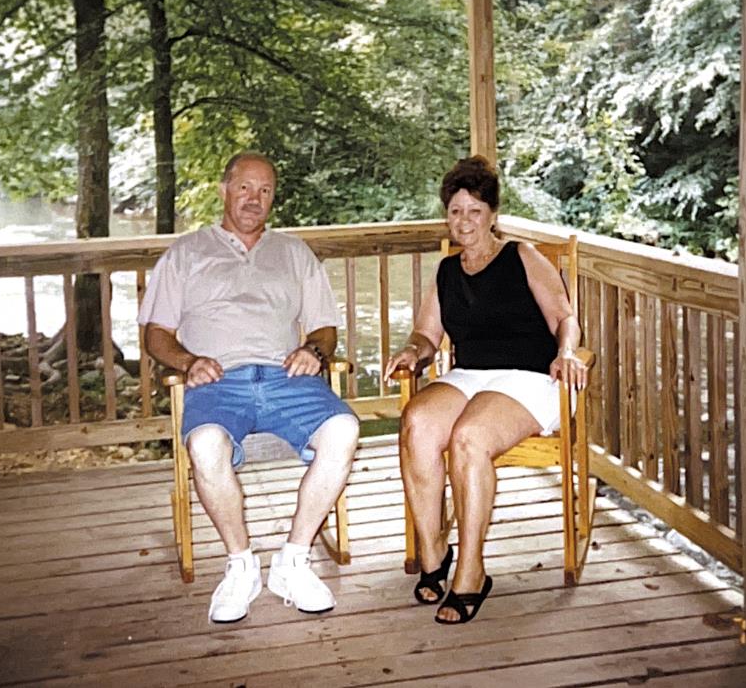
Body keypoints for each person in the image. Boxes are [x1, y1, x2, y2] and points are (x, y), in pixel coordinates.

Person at [140, 151, 359, 624]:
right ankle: (241, 566)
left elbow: (324, 329)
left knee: (344, 429)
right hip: (218, 381)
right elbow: (155, 333)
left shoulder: (294, 252)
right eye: (244, 187)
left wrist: (314, 353)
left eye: (264, 191)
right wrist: (187, 361)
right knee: (205, 442)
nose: (253, 199)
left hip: (286, 377)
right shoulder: (186, 252)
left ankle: (293, 560)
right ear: (224, 190)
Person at [383, 155, 588, 625]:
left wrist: (568, 352)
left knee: (468, 438)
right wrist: (411, 353)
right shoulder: (447, 272)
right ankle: (435, 553)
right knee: (417, 421)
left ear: (493, 215)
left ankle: (472, 571)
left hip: (533, 376)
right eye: (456, 211)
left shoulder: (522, 256)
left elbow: (564, 317)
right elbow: (427, 337)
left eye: (475, 211)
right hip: (471, 375)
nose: (465, 221)